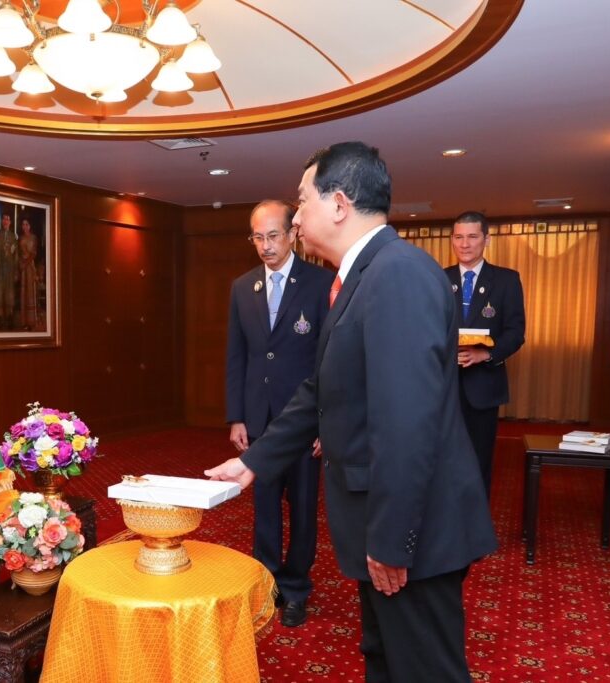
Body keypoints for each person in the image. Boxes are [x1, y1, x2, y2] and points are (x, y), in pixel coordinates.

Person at [206, 142, 496, 682]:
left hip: (414, 534)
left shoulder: (397, 275)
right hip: (387, 524)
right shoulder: (363, 276)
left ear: (339, 204)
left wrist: (391, 542)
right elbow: (322, 390)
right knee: (385, 660)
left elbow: (408, 423)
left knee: (424, 671)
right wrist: (254, 462)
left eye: (302, 201)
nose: (297, 218)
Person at [226, 199, 332, 627]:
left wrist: (325, 421)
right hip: (259, 418)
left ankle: (297, 588)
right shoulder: (242, 287)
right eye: (257, 237)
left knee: (303, 507)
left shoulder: (321, 283)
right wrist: (237, 416)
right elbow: (237, 356)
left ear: (292, 234)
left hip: (304, 421)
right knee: (264, 506)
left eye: (273, 236)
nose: (265, 245)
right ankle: (267, 583)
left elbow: (329, 360)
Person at [445, 211, 526, 498]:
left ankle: (475, 520)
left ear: (486, 240)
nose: (464, 244)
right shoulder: (439, 278)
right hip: (443, 387)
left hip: (483, 388)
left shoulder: (506, 280)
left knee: (478, 459)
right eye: (458, 237)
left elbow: (515, 333)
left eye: (472, 237)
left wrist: (485, 355)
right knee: (443, 459)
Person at [0, 211, 18, 328]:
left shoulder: (13, 237)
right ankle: (0, 319)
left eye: (7, 219)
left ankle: (9, 318)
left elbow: (16, 255)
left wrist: (16, 271)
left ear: (10, 222)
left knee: (9, 294)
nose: (5, 221)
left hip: (10, 270)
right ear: (1, 221)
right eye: (4, 219)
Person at [18, 216, 41, 330]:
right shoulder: (20, 238)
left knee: (31, 293)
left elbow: (34, 254)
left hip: (30, 267)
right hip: (23, 268)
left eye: (26, 224)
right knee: (24, 293)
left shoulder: (34, 238)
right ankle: (24, 322)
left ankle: (32, 322)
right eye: (23, 224)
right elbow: (18, 253)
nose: (25, 226)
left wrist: (25, 263)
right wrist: (20, 264)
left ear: (30, 226)